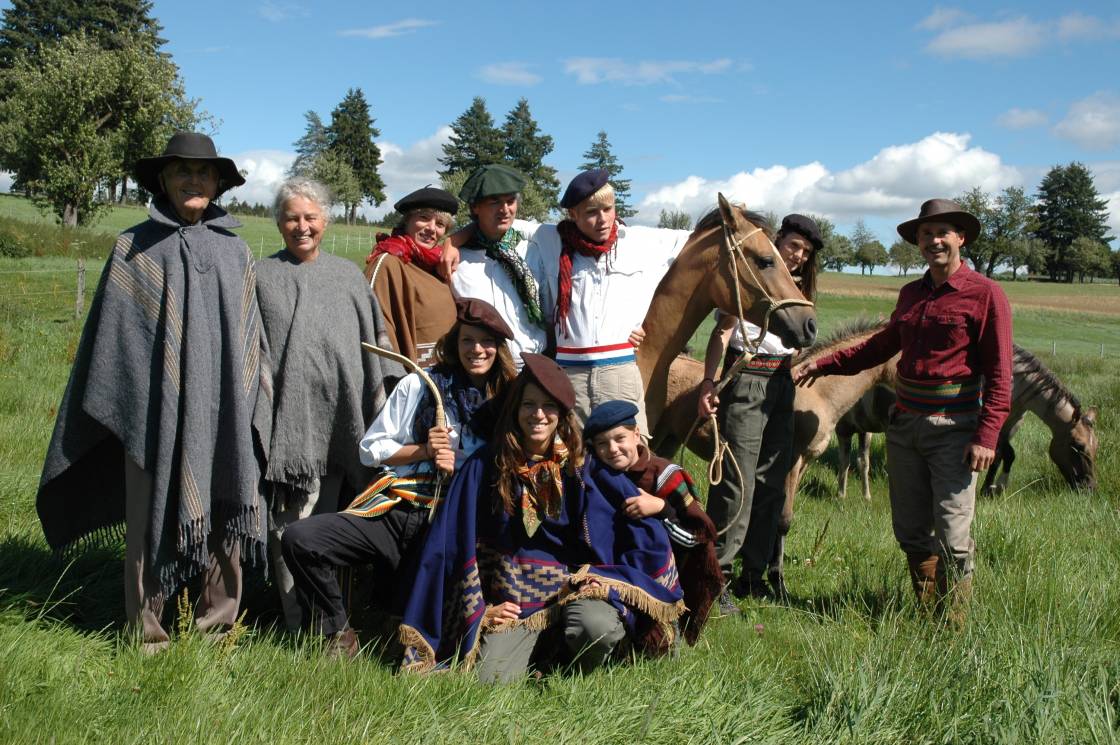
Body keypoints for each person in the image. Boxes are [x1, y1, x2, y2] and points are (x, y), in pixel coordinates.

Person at [36, 132, 262, 652]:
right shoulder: (133, 247)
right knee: (146, 521)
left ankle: (218, 625)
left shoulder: (236, 253)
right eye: (181, 170)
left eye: (204, 172)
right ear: (161, 179)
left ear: (218, 183)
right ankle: (148, 631)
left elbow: (251, 341)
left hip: (223, 410)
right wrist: (141, 402)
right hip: (150, 411)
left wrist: (245, 403)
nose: (193, 179)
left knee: (227, 505)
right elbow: (114, 340)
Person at [399, 354, 684, 683]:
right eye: (528, 405)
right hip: (515, 602)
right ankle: (534, 659)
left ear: (562, 413)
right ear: (515, 410)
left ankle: (565, 670)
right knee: (491, 680)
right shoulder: (485, 466)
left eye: (548, 406)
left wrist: (659, 513)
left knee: (595, 626)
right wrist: (479, 612)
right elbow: (448, 546)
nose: (538, 414)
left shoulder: (584, 467)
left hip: (574, 592)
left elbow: (640, 526)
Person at [793, 199, 1012, 625]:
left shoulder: (986, 295)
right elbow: (880, 346)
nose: (934, 241)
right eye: (926, 235)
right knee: (911, 531)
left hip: (954, 427)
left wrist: (987, 435)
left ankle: (956, 624)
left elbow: (1001, 374)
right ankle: (928, 615)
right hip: (905, 423)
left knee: (953, 534)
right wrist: (822, 364)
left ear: (961, 238)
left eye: (942, 232)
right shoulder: (911, 293)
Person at [281, 297, 517, 659]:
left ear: (498, 348)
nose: (476, 350)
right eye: (468, 339)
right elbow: (370, 449)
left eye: (486, 342)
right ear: (456, 341)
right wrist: (423, 450)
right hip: (397, 509)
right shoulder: (420, 385)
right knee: (301, 539)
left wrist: (463, 468)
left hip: (451, 525)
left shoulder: (508, 403)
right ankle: (338, 634)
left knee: (411, 624)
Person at [253, 177, 403, 631]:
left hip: (344, 426)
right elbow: (255, 351)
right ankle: (300, 623)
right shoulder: (260, 276)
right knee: (290, 528)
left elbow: (371, 350)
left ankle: (335, 618)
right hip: (290, 433)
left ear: (326, 221)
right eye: (292, 217)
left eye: (310, 217)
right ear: (279, 223)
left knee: (336, 526)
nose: (302, 226)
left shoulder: (347, 277)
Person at [698, 213, 821, 614]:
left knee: (772, 481)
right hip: (747, 378)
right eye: (793, 246)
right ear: (777, 240)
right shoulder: (752, 278)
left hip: (781, 385)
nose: (798, 255)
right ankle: (717, 576)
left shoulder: (798, 290)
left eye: (805, 251)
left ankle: (755, 572)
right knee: (737, 480)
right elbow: (721, 332)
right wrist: (708, 382)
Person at [528, 169, 692, 429]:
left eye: (608, 209)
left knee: (628, 455)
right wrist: (457, 238)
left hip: (620, 372)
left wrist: (644, 322)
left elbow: (700, 241)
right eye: (591, 212)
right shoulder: (551, 240)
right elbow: (501, 227)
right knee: (574, 457)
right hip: (570, 375)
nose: (603, 219)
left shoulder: (641, 241)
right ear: (573, 215)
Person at [583, 400, 722, 644]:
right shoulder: (596, 477)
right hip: (618, 570)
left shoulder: (665, 474)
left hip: (669, 575)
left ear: (637, 434)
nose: (613, 449)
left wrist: (661, 509)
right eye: (602, 444)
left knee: (655, 644)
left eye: (620, 439)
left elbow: (698, 537)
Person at [447, 164, 547, 364]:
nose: (505, 209)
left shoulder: (534, 251)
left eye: (510, 201)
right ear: (476, 207)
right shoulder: (457, 261)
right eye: (494, 202)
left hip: (533, 365)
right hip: (482, 368)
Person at [364, 187, 460, 365]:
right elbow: (374, 327)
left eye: (440, 224)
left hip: (446, 377)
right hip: (412, 382)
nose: (432, 228)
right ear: (407, 220)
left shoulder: (437, 266)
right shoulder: (389, 263)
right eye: (424, 218)